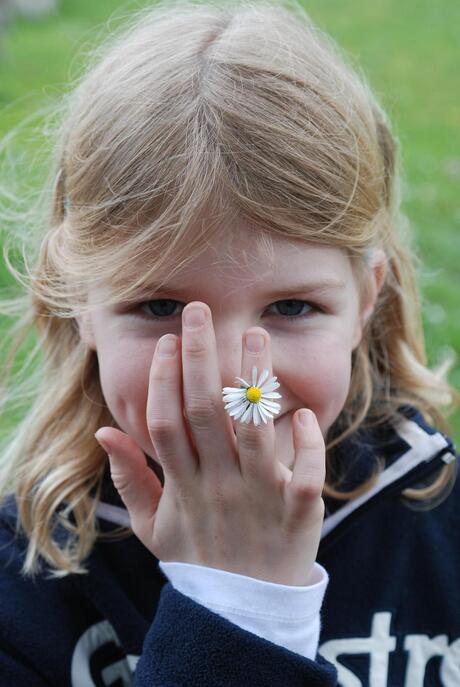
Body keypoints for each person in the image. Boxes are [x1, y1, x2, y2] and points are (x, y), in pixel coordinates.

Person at [0, 0, 458, 684]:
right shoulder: (25, 575)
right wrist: (239, 609)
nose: (227, 380)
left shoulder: (437, 517)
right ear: (79, 305)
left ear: (366, 299)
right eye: (160, 306)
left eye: (292, 306)